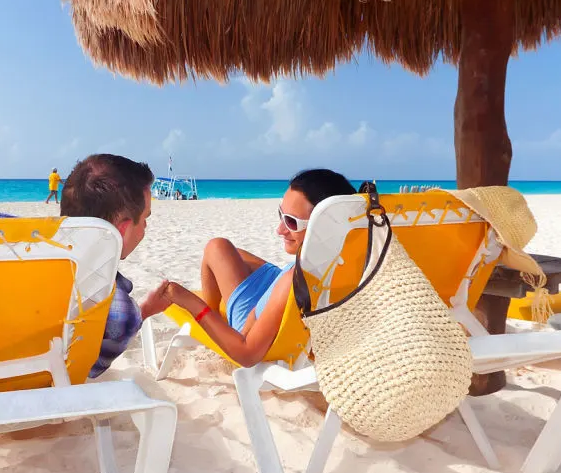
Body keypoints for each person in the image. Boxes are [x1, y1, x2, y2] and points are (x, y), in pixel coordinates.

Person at [159, 169, 356, 367]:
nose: (279, 229)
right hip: (281, 292)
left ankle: (213, 320)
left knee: (215, 247)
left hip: (261, 315)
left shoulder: (295, 281)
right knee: (229, 251)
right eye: (281, 215)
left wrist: (188, 301)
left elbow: (247, 354)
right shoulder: (352, 263)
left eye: (291, 222)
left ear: (324, 227)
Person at [60, 153, 171, 377]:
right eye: (145, 218)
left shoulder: (14, 253)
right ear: (122, 230)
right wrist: (145, 310)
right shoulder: (116, 306)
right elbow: (90, 369)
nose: (146, 228)